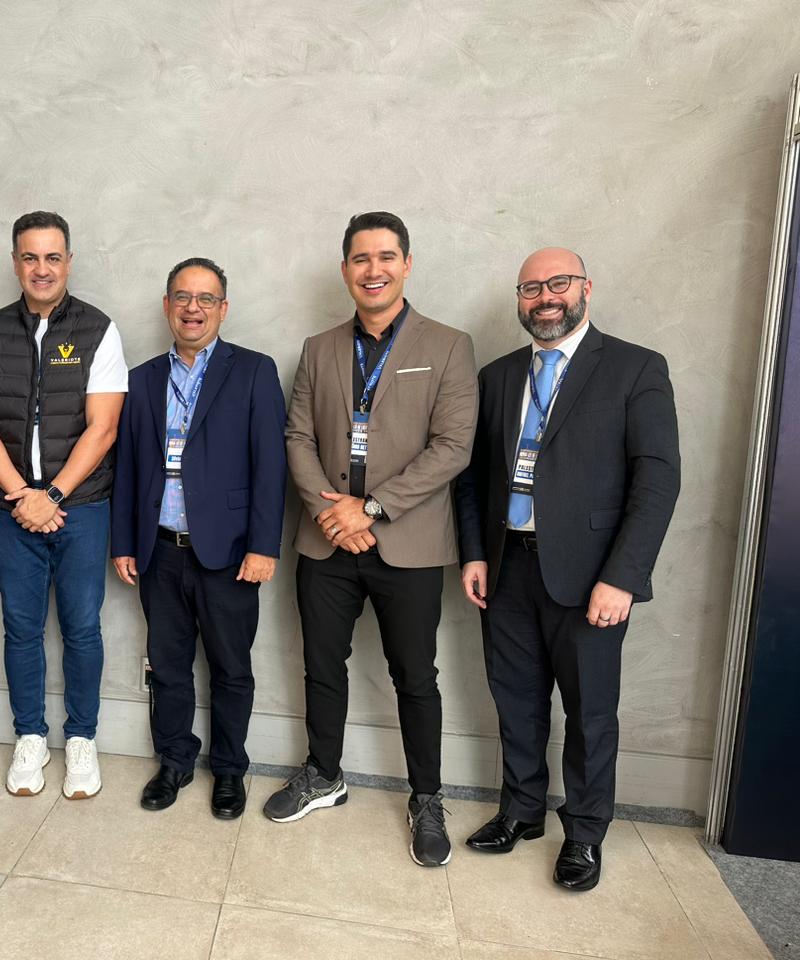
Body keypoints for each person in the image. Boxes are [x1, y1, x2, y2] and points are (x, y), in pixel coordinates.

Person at [454, 248, 680, 892]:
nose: (545, 297)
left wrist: (623, 577)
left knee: (589, 714)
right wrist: (474, 553)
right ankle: (521, 811)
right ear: (519, 298)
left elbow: (657, 481)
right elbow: (471, 478)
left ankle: (583, 832)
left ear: (586, 287)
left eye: (559, 283)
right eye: (531, 288)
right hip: (507, 570)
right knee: (516, 700)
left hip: (592, 579)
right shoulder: (498, 376)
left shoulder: (636, 368)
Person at [265, 211, 477, 869]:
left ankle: (427, 798)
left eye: (386, 257)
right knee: (321, 666)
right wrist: (334, 514)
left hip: (407, 543)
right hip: (326, 541)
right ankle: (324, 774)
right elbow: (298, 436)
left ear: (406, 265)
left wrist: (374, 510)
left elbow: (453, 447)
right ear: (345, 270)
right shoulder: (319, 348)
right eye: (361, 258)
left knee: (415, 676)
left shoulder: (449, 346)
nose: (373, 269)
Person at [111, 257, 286, 819]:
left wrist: (264, 546)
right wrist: (124, 542)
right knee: (167, 665)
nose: (193, 308)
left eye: (206, 298)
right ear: (167, 307)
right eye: (183, 298)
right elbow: (128, 466)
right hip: (159, 548)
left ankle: (229, 769)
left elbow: (271, 465)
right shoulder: (141, 379)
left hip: (230, 553)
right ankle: (174, 761)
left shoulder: (253, 370)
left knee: (231, 668)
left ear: (223, 308)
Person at [0, 211, 127, 799]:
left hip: (81, 509)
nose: (41, 268)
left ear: (69, 262)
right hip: (13, 510)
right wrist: (24, 497)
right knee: (20, 628)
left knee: (82, 628)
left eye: (52, 257)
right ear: (15, 263)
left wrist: (52, 495)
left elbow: (103, 428)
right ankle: (29, 736)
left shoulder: (99, 329)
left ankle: (81, 738)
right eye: (30, 257)